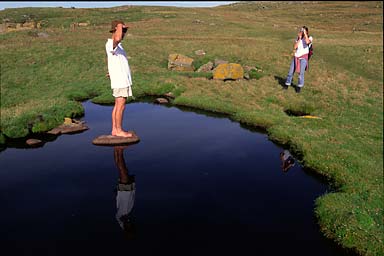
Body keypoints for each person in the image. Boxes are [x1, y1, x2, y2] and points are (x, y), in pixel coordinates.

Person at [105, 20, 133, 137]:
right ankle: (119, 130)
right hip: (120, 81)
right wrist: (120, 26)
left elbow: (111, 59)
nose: (124, 33)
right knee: (121, 105)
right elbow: (117, 38)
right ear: (115, 30)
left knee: (118, 105)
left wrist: (110, 71)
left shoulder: (116, 46)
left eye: (125, 30)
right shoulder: (112, 43)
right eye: (123, 30)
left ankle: (114, 129)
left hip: (120, 79)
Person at [114, 145, 136, 239]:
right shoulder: (123, 219)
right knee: (122, 169)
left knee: (122, 169)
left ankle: (119, 149)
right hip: (125, 190)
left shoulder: (122, 219)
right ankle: (117, 149)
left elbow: (120, 214)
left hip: (125, 190)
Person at [284, 26, 313, 93]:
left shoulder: (310, 37)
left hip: (304, 57)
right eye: (301, 30)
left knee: (301, 73)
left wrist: (305, 34)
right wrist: (299, 38)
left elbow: (307, 42)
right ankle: (287, 84)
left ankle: (299, 86)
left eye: (303, 31)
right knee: (290, 72)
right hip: (296, 56)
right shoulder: (298, 38)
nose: (302, 32)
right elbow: (295, 47)